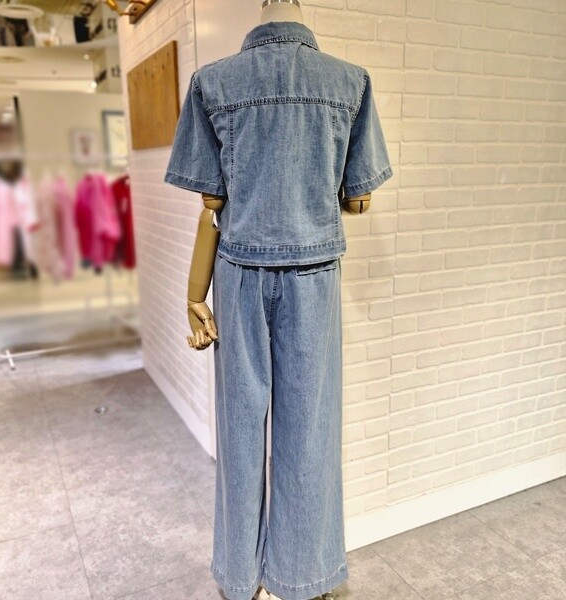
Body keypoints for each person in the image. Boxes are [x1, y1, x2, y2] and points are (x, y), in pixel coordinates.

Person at [164, 4, 393, 599]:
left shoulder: (213, 82)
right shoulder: (350, 82)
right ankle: (304, 578)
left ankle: (239, 578)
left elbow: (211, 206)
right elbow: (358, 200)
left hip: (237, 273)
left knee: (240, 430)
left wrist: (194, 295)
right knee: (310, 433)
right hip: (313, 277)